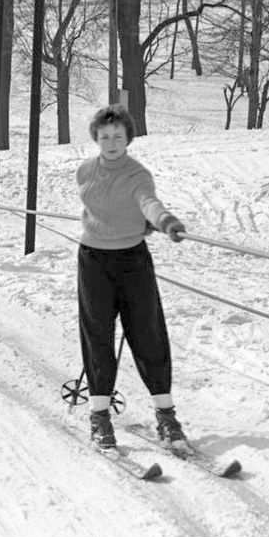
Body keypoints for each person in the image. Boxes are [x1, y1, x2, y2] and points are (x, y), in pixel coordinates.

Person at [74, 104, 188, 451]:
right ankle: (100, 417)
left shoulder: (138, 174)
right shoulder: (84, 171)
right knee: (98, 337)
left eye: (118, 136)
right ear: (96, 137)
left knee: (148, 332)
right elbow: (99, 208)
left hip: (132, 261)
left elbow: (147, 202)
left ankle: (166, 417)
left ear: (128, 139)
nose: (111, 142)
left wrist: (164, 221)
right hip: (93, 260)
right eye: (105, 136)